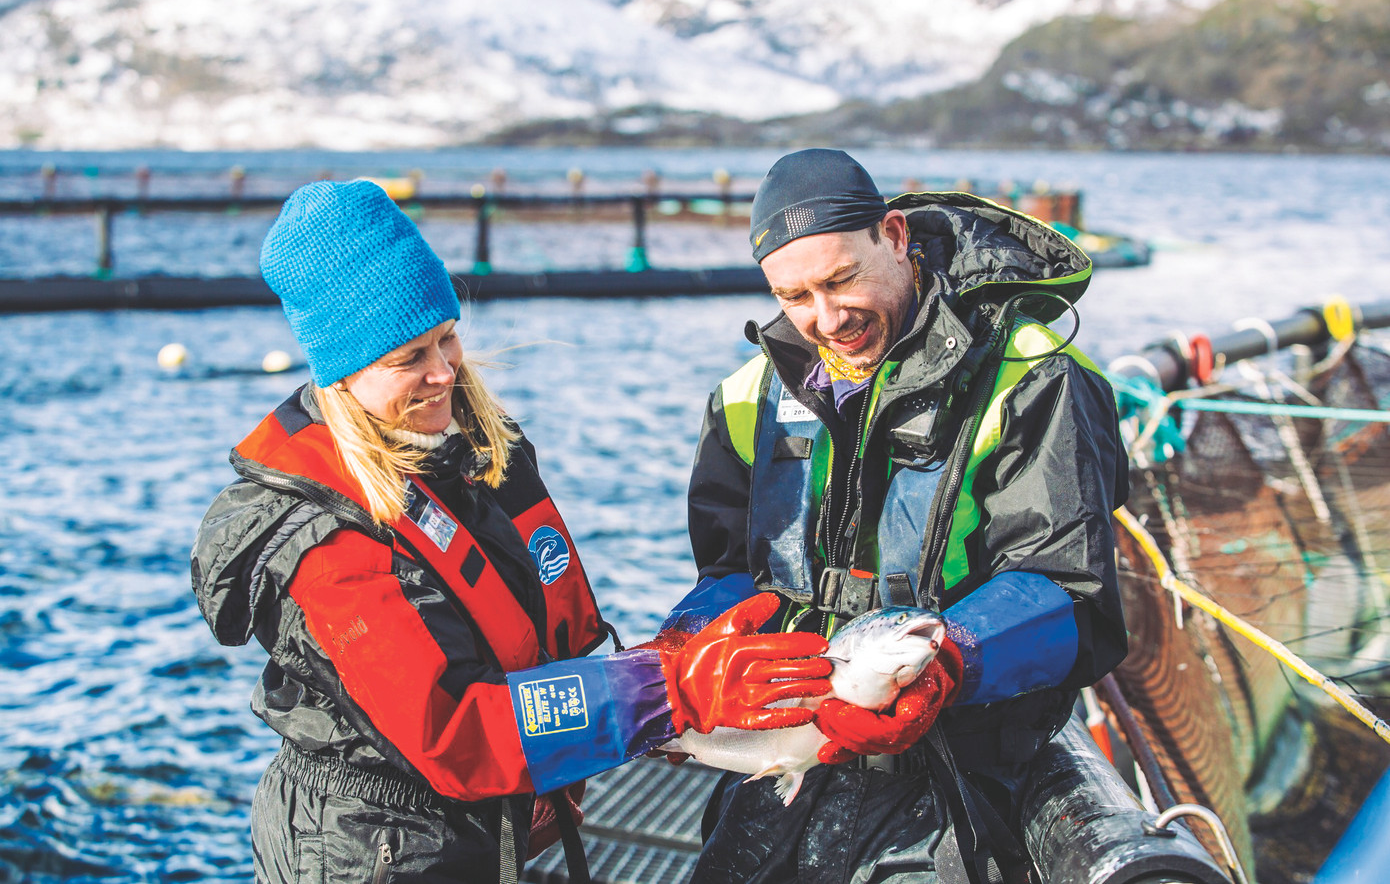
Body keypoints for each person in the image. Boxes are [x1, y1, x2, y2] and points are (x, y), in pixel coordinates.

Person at [190, 180, 833, 883]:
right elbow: (456, 732)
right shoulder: (325, 539)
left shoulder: (476, 452)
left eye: (447, 338)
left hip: (480, 827)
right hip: (373, 852)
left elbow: (554, 632)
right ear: (341, 375)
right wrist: (667, 691)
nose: (443, 372)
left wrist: (663, 668)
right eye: (408, 359)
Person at [680, 150, 1129, 883]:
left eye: (840, 279)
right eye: (794, 296)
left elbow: (1070, 593)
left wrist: (950, 661)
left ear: (895, 235)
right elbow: (730, 573)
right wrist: (689, 651)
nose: (827, 319)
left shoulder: (1035, 374)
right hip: (788, 766)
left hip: (964, 778)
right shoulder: (745, 396)